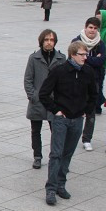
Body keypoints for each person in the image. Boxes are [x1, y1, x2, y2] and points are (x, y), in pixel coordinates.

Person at [39, 41, 97, 205]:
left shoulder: (88, 72)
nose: (85, 58)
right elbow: (44, 93)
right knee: (56, 154)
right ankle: (50, 188)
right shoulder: (60, 71)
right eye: (82, 55)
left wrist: (87, 110)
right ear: (72, 55)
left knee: (68, 153)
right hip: (61, 119)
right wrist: (55, 110)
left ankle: (60, 184)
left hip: (77, 119)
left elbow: (94, 94)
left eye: (86, 54)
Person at [24, 29, 67, 169]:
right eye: (46, 40)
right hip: (37, 101)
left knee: (56, 130)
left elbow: (65, 80)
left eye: (52, 40)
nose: (49, 42)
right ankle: (37, 156)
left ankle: (56, 156)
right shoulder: (34, 58)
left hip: (54, 102)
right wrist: (33, 96)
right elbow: (28, 79)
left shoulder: (61, 58)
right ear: (41, 41)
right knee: (35, 130)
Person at [73, 16, 106, 151]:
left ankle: (87, 138)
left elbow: (102, 60)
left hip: (94, 81)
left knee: (91, 112)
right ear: (86, 27)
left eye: (95, 28)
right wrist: (93, 59)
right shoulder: (77, 41)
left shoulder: (100, 43)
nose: (92, 30)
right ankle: (73, 134)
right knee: (75, 110)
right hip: (78, 80)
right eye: (90, 27)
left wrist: (87, 59)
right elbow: (74, 60)